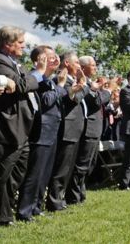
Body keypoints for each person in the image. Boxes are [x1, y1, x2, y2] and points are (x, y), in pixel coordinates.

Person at [0, 26, 46, 226]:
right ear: (8, 44)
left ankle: (4, 215)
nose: (24, 46)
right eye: (20, 43)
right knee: (1, 175)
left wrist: (30, 78)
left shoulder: (16, 63)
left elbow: (23, 82)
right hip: (8, 129)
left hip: (24, 129)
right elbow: (23, 85)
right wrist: (39, 73)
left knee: (15, 176)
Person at [15, 46, 60, 222]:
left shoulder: (49, 80)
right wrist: (61, 87)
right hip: (40, 130)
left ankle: (36, 206)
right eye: (50, 57)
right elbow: (47, 101)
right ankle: (24, 210)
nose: (55, 59)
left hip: (52, 131)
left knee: (44, 172)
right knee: (34, 173)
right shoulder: (36, 78)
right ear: (39, 60)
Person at [46, 51, 88, 212]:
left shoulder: (73, 80)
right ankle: (54, 200)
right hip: (67, 128)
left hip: (75, 128)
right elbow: (75, 99)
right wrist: (84, 86)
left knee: (69, 167)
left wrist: (81, 84)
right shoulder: (60, 79)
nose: (79, 66)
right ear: (67, 64)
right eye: (76, 62)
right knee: (61, 167)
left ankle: (61, 198)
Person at [66, 56, 110, 205]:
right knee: (81, 164)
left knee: (89, 165)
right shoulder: (84, 85)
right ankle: (73, 196)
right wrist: (108, 91)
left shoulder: (91, 84)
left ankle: (80, 193)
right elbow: (97, 101)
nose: (96, 68)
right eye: (93, 65)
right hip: (87, 127)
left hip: (94, 128)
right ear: (83, 68)